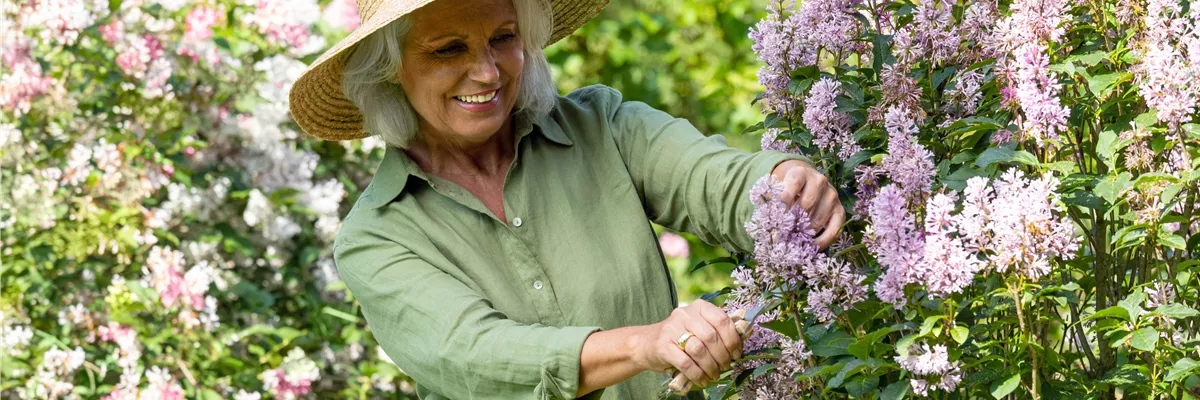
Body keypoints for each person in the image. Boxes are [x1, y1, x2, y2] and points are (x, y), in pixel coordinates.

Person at [287, 0, 845, 398]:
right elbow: (478, 357)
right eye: (448, 48)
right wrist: (645, 344)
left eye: (503, 37)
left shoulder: (601, 125)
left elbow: (716, 180)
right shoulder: (378, 237)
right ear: (389, 71)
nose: (487, 71)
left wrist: (784, 181)